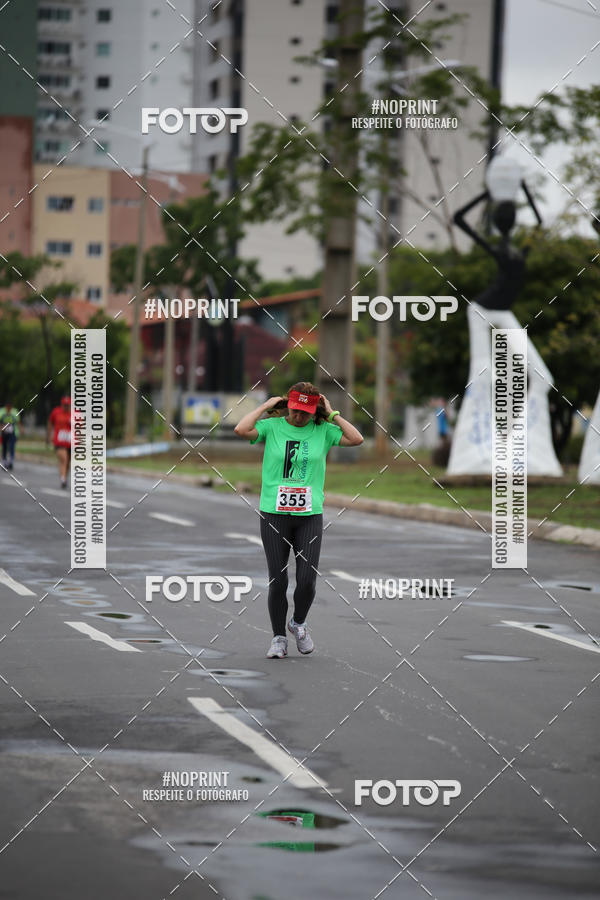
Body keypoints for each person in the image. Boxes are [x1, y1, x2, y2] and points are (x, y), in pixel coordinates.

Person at [234, 382, 363, 659]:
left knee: (306, 581)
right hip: (274, 513)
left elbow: (356, 439)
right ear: (288, 406)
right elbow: (241, 429)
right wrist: (267, 406)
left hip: (309, 516)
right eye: (295, 410)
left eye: (306, 412)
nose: (299, 416)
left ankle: (298, 623)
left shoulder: (324, 430)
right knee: (278, 581)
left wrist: (332, 414)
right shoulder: (273, 426)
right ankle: (278, 638)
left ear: (314, 410)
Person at [47, 396, 72, 488]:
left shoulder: (75, 414)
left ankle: (64, 477)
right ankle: (63, 479)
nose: (66, 407)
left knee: (68, 462)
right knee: (63, 459)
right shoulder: (56, 412)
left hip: (70, 442)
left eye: (67, 405)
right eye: (64, 405)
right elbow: (50, 423)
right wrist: (49, 436)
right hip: (59, 441)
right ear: (61, 404)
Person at [0, 402, 21, 471]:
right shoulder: (2, 411)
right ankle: (4, 461)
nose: (9, 409)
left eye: (10, 408)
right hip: (4, 433)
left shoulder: (14, 412)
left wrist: (21, 429)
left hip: (13, 432)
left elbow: (18, 421)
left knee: (11, 446)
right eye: (7, 407)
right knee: (5, 446)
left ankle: (11, 461)